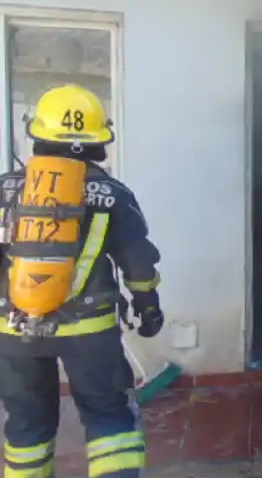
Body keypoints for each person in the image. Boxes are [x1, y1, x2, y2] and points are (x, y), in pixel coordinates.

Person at [0, 84, 164, 477]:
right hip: (90, 332)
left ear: (38, 134)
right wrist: (148, 306)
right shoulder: (113, 194)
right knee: (110, 422)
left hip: (13, 328)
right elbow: (138, 262)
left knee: (27, 426)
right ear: (96, 140)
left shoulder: (6, 189)